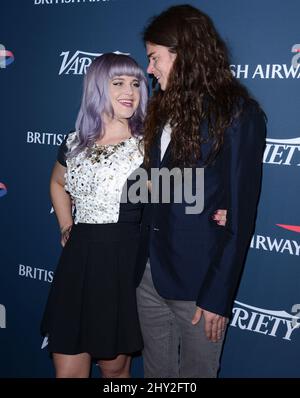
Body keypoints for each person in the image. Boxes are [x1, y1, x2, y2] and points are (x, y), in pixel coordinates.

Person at [135, 4, 266, 378]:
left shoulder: (239, 114)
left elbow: (241, 216)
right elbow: (160, 187)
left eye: (154, 58)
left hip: (199, 285)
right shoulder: (162, 108)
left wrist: (217, 297)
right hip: (148, 275)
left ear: (185, 54)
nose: (149, 69)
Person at [41, 53, 148, 378]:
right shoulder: (74, 143)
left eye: (135, 83)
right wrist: (65, 223)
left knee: (115, 370)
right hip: (78, 262)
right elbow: (58, 182)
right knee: (67, 369)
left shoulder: (149, 145)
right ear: (97, 88)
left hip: (120, 262)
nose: (129, 91)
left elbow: (181, 196)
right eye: (118, 83)